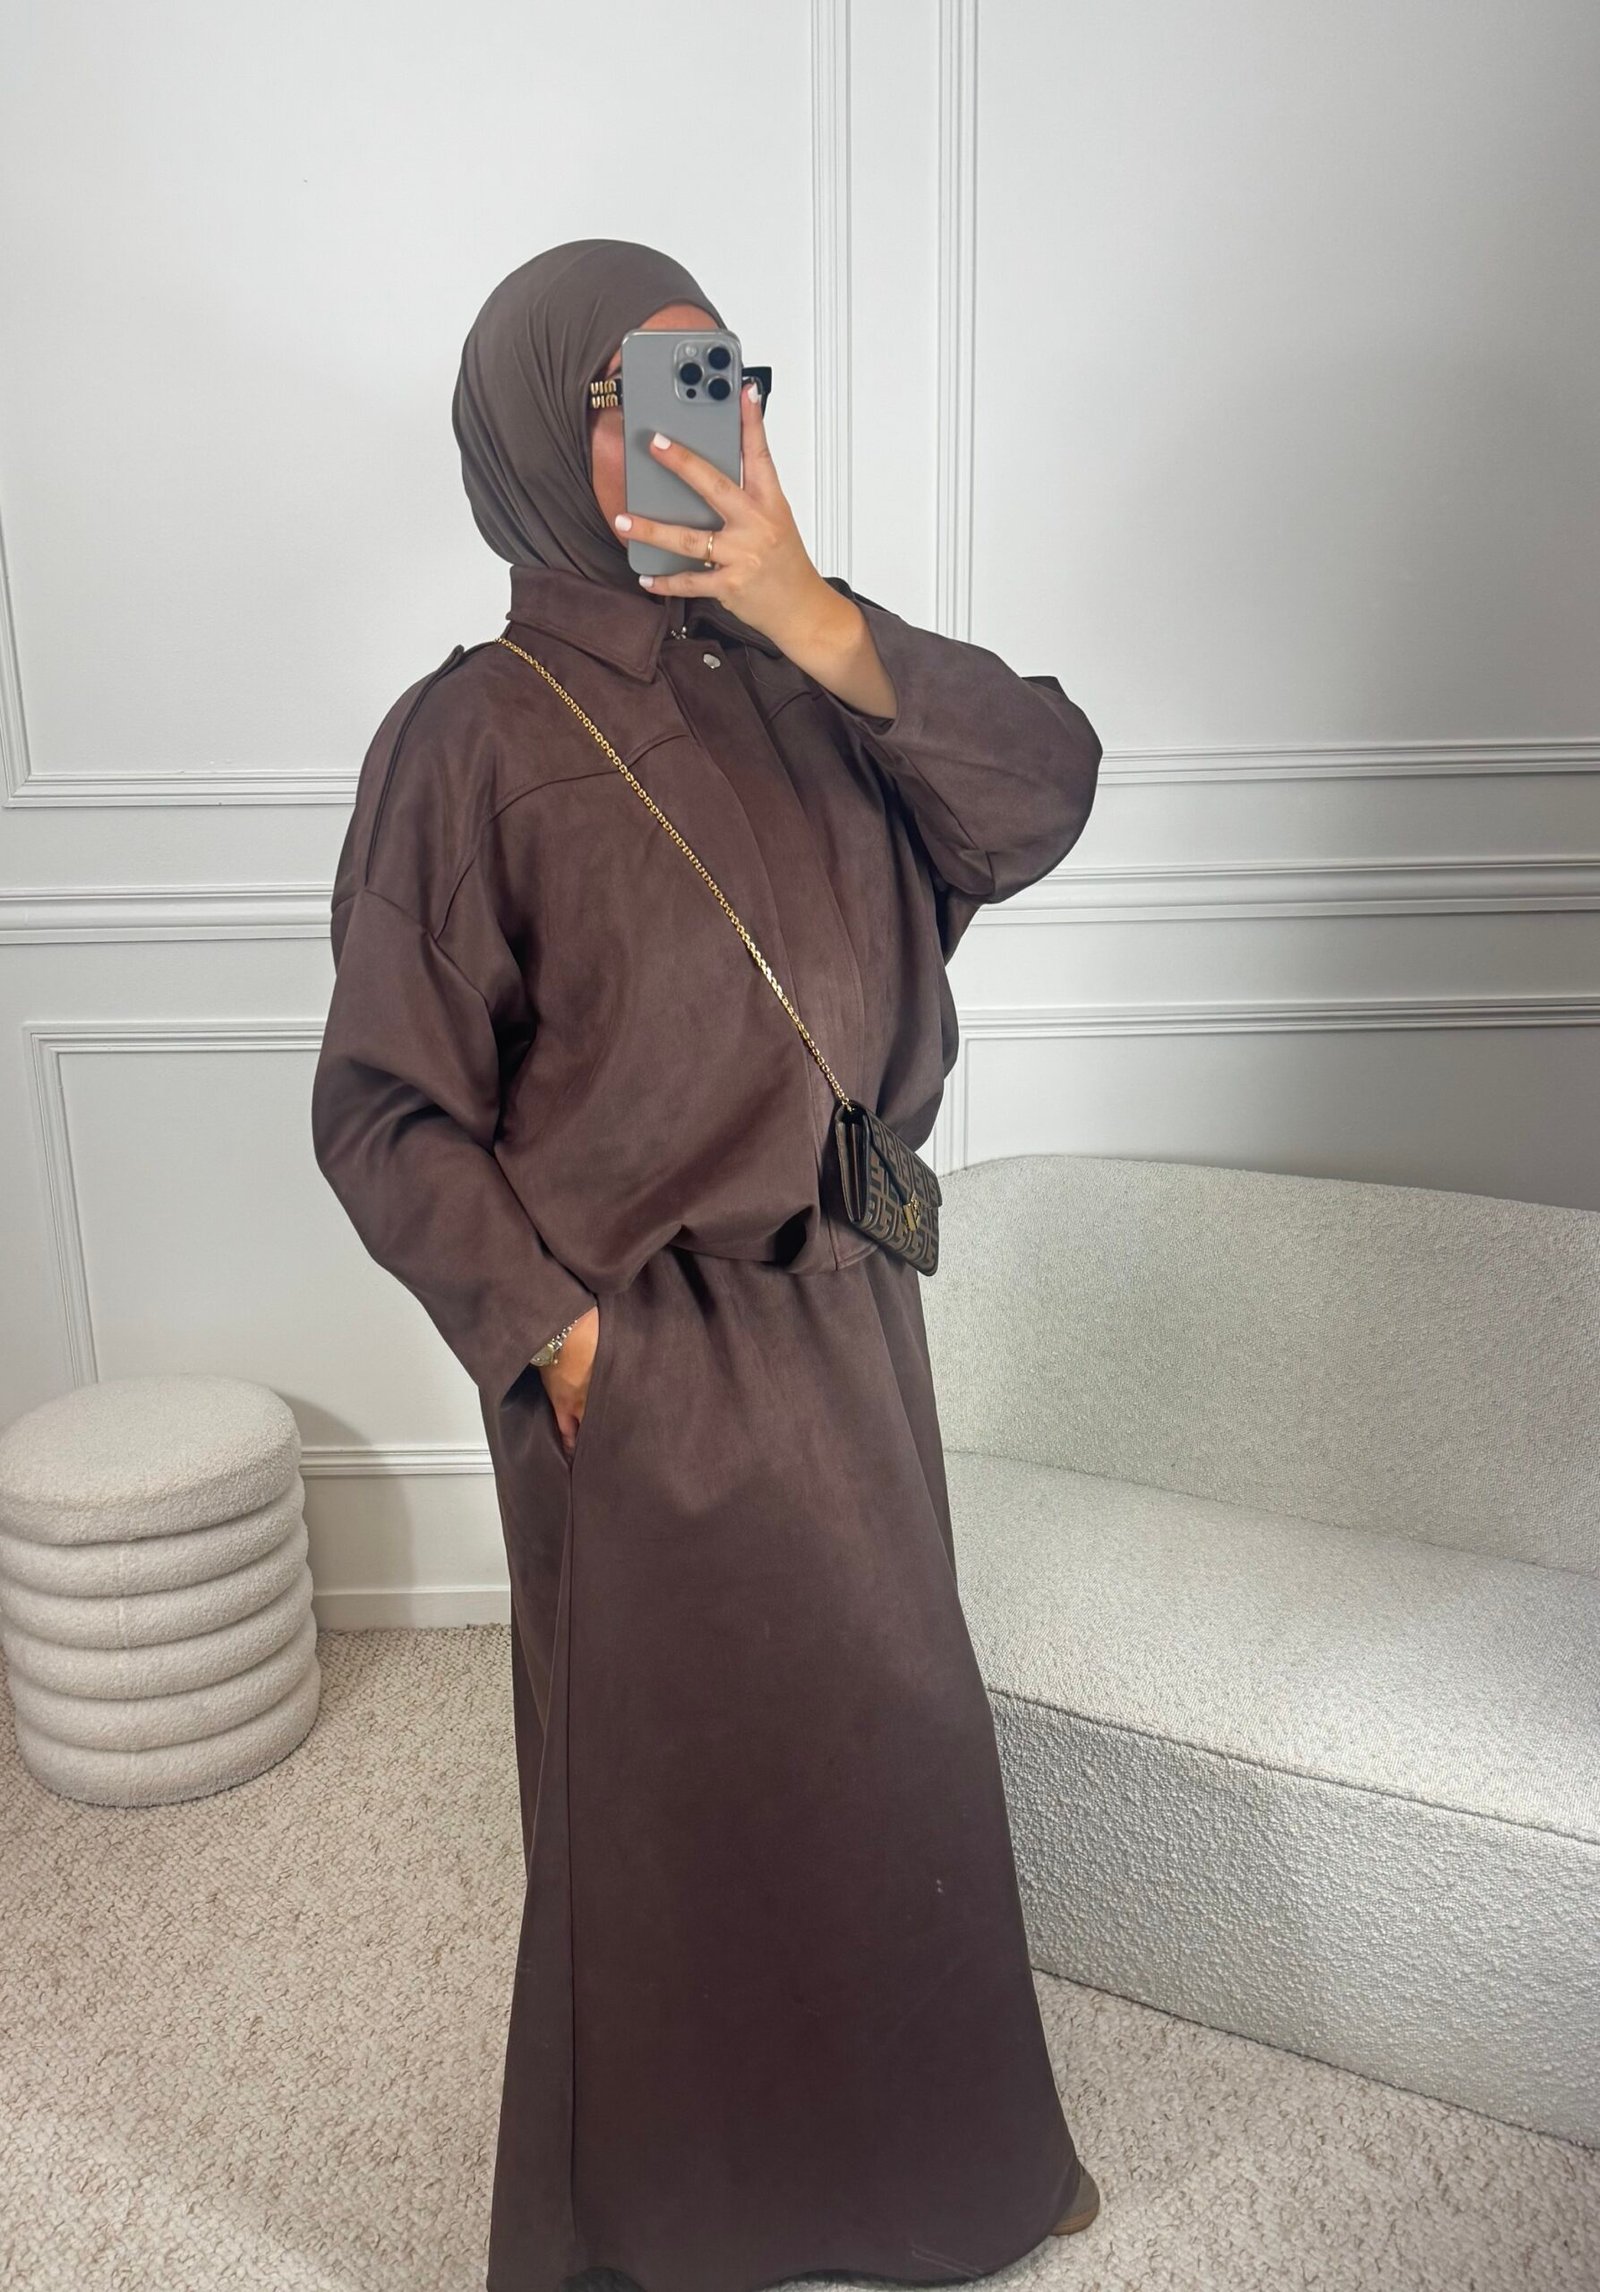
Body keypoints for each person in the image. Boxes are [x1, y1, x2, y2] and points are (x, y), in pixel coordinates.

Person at [310, 237, 1104, 2292]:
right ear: (533, 430)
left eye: (724, 379)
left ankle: (929, 2175)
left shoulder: (814, 681)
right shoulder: (467, 740)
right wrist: (565, 1345)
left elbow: (1039, 796)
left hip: (850, 1305)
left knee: (892, 1754)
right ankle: (659, 2228)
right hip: (648, 1356)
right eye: (645, 390)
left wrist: (813, 613)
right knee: (668, 1816)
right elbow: (384, 1111)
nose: (710, 424)